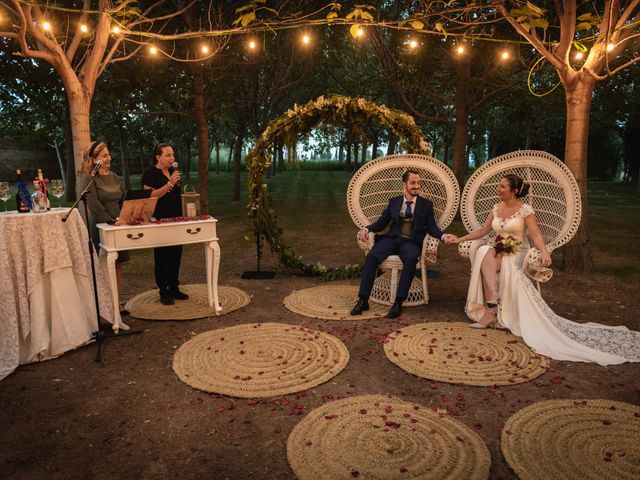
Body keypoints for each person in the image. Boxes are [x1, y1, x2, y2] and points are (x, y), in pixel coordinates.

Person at [450, 174, 639, 365]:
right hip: (500, 249)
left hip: (518, 252)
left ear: (514, 191)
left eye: (502, 187)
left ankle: (490, 312)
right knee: (483, 250)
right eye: (499, 186)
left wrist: (544, 252)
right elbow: (483, 231)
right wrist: (460, 238)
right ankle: (493, 305)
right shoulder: (496, 208)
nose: (498, 189)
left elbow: (536, 234)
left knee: (499, 260)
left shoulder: (525, 210)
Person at [351, 169, 456, 319]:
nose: (416, 186)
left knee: (411, 258)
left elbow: (432, 227)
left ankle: (398, 302)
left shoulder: (426, 205)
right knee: (372, 256)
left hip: (411, 242)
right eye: (413, 183)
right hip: (392, 239)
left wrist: (443, 236)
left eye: (418, 183)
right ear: (405, 184)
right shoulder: (394, 202)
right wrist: (366, 228)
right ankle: (363, 300)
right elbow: (381, 223)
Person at [78, 141, 129, 290]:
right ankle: (105, 304)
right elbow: (94, 206)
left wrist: (124, 217)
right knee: (104, 264)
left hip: (119, 224)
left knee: (117, 263)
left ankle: (116, 302)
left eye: (109, 155)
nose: (109, 158)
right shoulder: (88, 178)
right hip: (101, 226)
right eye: (104, 156)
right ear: (93, 159)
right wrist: (111, 221)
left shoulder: (113, 176)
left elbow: (121, 199)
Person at [142, 143, 188, 305]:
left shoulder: (172, 172)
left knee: (176, 254)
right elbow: (150, 195)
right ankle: (164, 290)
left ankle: (174, 287)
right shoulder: (150, 174)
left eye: (173, 155)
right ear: (158, 157)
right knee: (163, 255)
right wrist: (169, 184)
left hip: (176, 218)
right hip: (160, 219)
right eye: (168, 155)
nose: (172, 158)